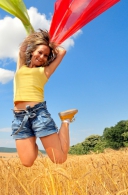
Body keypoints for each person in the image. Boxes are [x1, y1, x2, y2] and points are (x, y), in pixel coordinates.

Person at [12, 29, 78, 167]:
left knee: (59, 159)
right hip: (20, 118)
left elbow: (62, 52)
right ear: (32, 52)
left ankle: (65, 121)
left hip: (38, 114)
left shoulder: (45, 71)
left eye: (46, 55)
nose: (42, 56)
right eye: (39, 52)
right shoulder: (21, 66)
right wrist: (33, 37)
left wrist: (49, 43)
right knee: (27, 162)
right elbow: (22, 48)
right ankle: (34, 136)